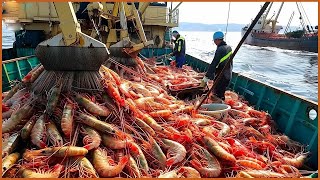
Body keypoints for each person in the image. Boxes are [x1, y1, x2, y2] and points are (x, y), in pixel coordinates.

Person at [200, 31, 233, 101]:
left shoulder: (220, 49)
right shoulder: (229, 47)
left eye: (214, 40)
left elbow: (214, 64)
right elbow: (225, 62)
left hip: (222, 76)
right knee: (221, 92)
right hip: (228, 74)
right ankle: (221, 103)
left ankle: (220, 108)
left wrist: (206, 78)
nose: (214, 42)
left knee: (218, 94)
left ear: (217, 40)